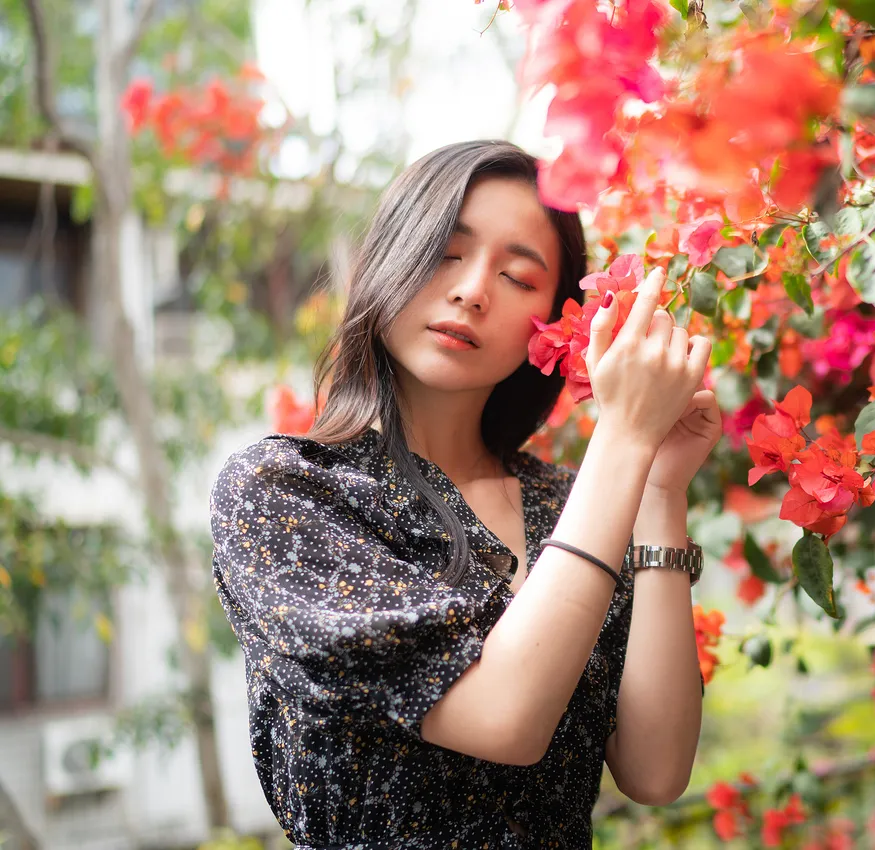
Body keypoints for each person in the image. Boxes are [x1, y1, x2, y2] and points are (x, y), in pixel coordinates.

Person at [209, 139, 721, 848]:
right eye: (447, 253)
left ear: (553, 319)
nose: (473, 289)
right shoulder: (284, 493)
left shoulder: (569, 504)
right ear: (391, 257)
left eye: (517, 275)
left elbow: (656, 770)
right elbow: (504, 717)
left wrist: (660, 484)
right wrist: (625, 436)